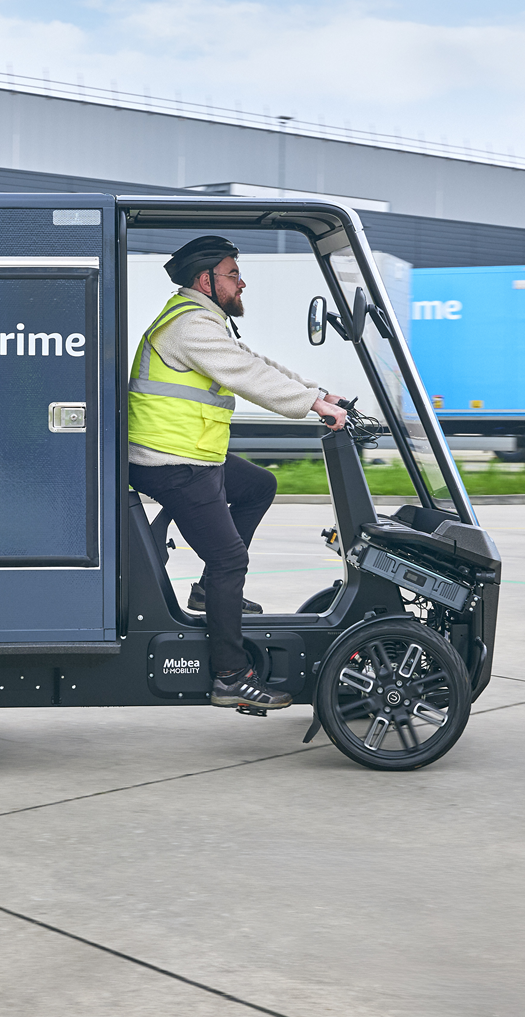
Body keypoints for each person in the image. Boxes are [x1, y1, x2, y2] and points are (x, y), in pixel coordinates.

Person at [128, 236, 349, 711]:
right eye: (231, 273)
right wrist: (310, 404)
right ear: (204, 279)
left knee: (259, 485)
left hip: (191, 456)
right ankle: (230, 675)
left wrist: (318, 392)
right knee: (231, 559)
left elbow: (255, 363)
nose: (240, 281)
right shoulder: (189, 326)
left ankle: (210, 592)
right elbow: (248, 378)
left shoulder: (208, 322)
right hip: (170, 463)